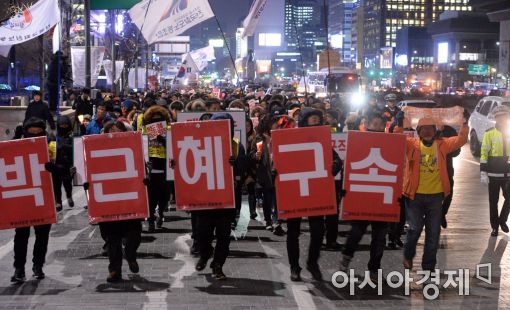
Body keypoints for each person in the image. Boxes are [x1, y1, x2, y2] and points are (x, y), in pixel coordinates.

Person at [401, 112, 468, 271]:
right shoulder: (412, 144)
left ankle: (429, 268)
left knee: (433, 235)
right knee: (414, 228)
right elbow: (396, 138)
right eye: (423, 129)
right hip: (414, 196)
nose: (427, 132)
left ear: (435, 130)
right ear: (418, 131)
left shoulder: (442, 144)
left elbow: (461, 140)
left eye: (430, 128)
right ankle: (408, 254)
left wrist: (464, 124)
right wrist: (399, 123)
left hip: (436, 197)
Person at [84, 120, 145, 283]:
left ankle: (131, 254)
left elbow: (143, 168)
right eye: (109, 130)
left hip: (129, 198)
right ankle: (114, 270)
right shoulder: (94, 149)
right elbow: (87, 170)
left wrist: (145, 178)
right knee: (112, 239)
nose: (113, 133)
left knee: (134, 234)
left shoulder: (134, 147)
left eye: (117, 130)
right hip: (107, 200)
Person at [285, 108, 342, 281]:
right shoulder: (290, 139)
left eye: (318, 119)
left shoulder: (323, 141)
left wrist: (333, 168)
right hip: (295, 189)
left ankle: (312, 262)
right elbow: (281, 161)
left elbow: (336, 160)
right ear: (304, 121)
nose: (316, 122)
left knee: (318, 231)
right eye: (313, 119)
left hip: (316, 191)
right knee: (293, 232)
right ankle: (294, 266)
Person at [339, 112, 390, 278]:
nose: (377, 127)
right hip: (363, 192)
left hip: (383, 195)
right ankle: (346, 257)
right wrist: (346, 188)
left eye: (380, 124)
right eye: (373, 123)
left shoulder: (392, 142)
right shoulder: (358, 140)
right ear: (367, 123)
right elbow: (349, 165)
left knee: (380, 236)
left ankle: (374, 267)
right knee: (357, 231)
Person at [193, 113, 240, 280]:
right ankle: (205, 254)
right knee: (202, 233)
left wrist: (235, 165)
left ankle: (218, 264)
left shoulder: (235, 146)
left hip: (226, 200)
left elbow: (243, 169)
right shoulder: (200, 145)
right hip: (205, 198)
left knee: (223, 235)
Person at [11, 117, 56, 283]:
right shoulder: (14, 146)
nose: (35, 136)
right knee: (21, 235)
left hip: (43, 197)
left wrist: (53, 168)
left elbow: (64, 170)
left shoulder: (51, 146)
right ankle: (19, 269)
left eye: (39, 133)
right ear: (25, 131)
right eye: (31, 133)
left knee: (42, 235)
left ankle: (38, 266)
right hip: (21, 197)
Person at [140, 105, 172, 232]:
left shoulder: (169, 130)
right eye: (153, 120)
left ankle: (161, 212)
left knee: (164, 195)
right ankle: (151, 219)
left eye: (159, 120)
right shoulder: (144, 131)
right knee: (151, 196)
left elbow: (175, 147)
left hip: (165, 166)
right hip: (151, 166)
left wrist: (164, 141)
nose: (156, 123)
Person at [480, 105, 510, 236]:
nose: (502, 119)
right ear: (496, 118)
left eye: (505, 116)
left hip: (508, 173)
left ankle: (502, 220)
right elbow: (484, 153)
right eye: (500, 117)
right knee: (493, 202)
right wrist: (483, 172)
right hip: (492, 174)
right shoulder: (489, 133)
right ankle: (494, 227)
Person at [438, 125, 461, 228]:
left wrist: (446, 149)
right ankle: (434, 217)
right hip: (430, 169)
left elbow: (457, 149)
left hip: (447, 167)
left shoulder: (450, 130)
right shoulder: (429, 128)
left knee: (448, 193)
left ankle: (442, 214)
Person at [52, 115, 75, 211]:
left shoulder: (71, 136)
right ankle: (58, 202)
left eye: (66, 125)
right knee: (56, 185)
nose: (64, 127)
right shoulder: (54, 136)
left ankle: (69, 196)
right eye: (62, 125)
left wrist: (64, 146)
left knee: (67, 183)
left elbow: (74, 148)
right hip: (56, 164)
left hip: (67, 165)